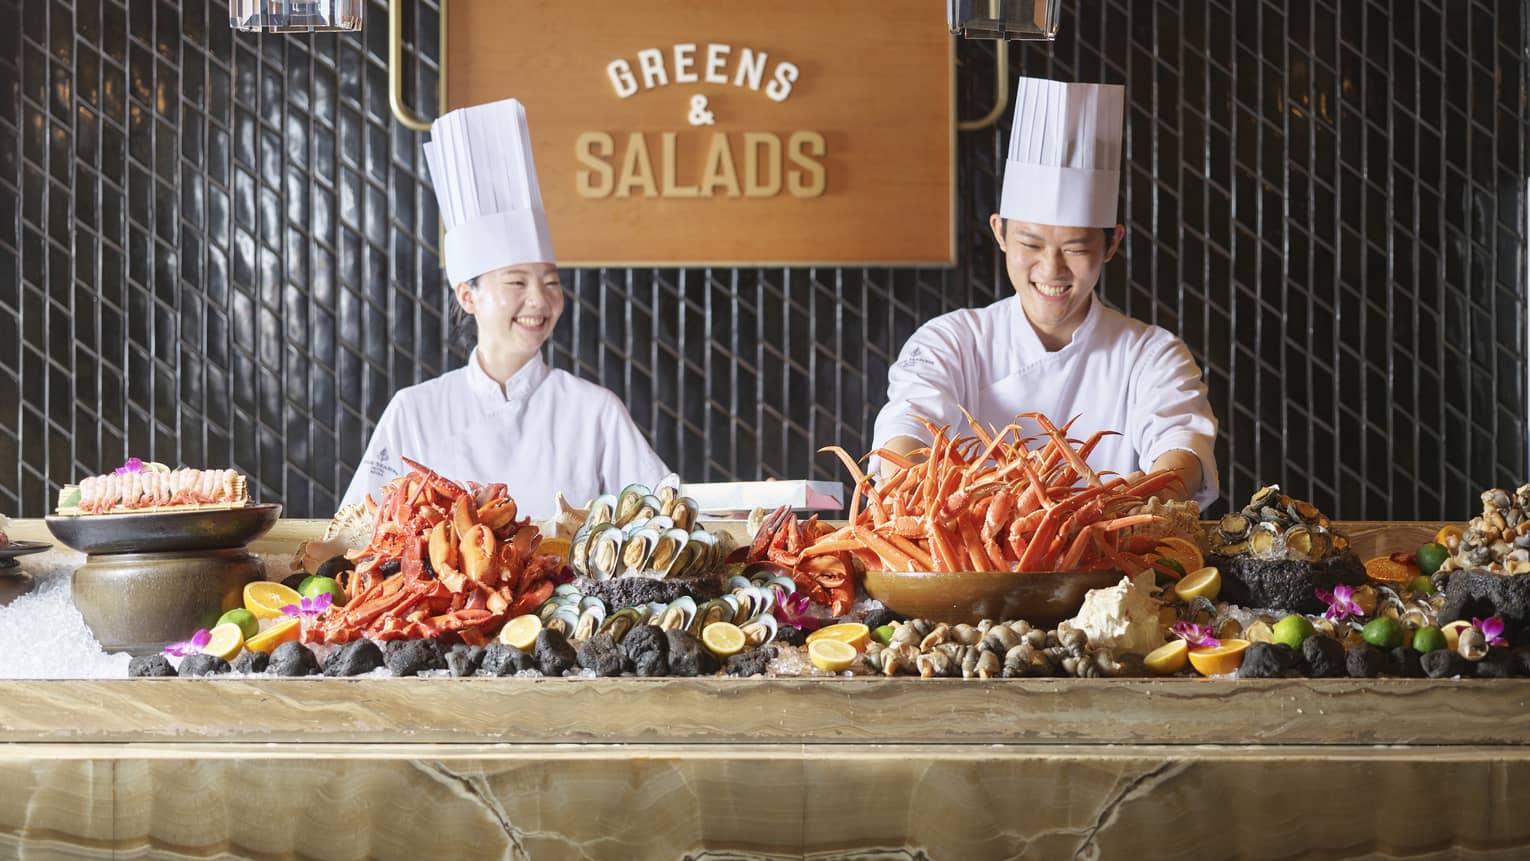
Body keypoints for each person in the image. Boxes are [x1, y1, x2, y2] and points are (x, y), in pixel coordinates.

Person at [872, 77, 1219, 507]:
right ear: (999, 233)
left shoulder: (1151, 353)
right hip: (967, 560)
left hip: (1112, 557)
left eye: (1075, 248)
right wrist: (923, 494)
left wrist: (1097, 514)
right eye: (1031, 245)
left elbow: (1181, 447)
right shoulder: (950, 341)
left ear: (1111, 243)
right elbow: (908, 422)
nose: (1051, 269)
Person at [340, 99, 669, 518]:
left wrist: (754, 504)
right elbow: (356, 528)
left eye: (551, 282)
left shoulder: (594, 411)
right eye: (517, 281)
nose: (540, 299)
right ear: (467, 295)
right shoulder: (414, 410)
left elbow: (666, 515)